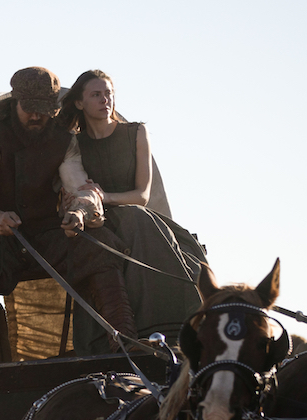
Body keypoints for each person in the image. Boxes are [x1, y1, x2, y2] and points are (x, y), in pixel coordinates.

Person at [0, 66, 137, 383]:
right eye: (30, 110)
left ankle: (125, 343)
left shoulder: (64, 140)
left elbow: (80, 188)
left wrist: (79, 213)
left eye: (44, 111)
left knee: (100, 246)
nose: (37, 118)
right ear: (15, 103)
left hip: (46, 232)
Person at [59, 69, 208, 351]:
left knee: (156, 232)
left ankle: (172, 327)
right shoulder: (75, 145)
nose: (106, 101)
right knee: (97, 246)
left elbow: (141, 196)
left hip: (137, 214)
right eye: (96, 95)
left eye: (109, 94)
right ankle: (116, 338)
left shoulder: (136, 132)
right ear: (79, 103)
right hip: (98, 220)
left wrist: (105, 196)